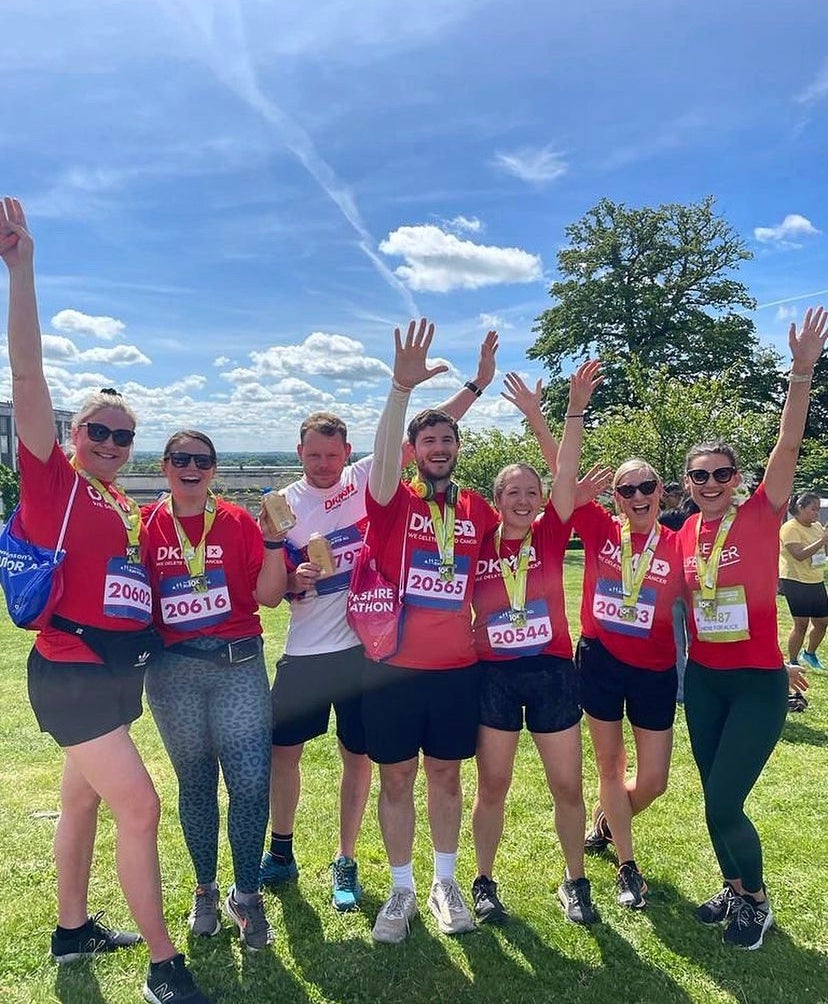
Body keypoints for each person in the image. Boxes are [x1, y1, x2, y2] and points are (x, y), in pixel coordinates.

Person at [0, 196, 211, 1004]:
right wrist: (22, 270)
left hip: (117, 672)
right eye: (99, 432)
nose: (112, 446)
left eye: (125, 436)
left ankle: (70, 929)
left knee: (80, 801)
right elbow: (26, 373)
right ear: (71, 434)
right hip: (70, 671)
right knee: (142, 805)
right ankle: (163, 963)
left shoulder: (123, 505)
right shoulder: (52, 483)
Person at [261, 332, 498, 911]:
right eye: (313, 454)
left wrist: (474, 387)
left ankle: (346, 858)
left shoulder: (368, 481)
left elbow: (425, 435)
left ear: (346, 455)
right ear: (300, 453)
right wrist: (291, 579)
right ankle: (282, 846)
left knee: (359, 759)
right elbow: (269, 588)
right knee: (282, 752)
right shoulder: (282, 503)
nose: (323, 463)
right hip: (307, 648)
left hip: (366, 652)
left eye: (332, 454)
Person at [676, 306, 826, 950]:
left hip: (757, 685)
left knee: (724, 800)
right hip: (705, 683)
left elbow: (788, 444)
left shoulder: (764, 513)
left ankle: (756, 901)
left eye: (720, 474)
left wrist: (800, 374)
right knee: (714, 794)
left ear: (737, 480)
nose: (710, 483)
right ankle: (733, 888)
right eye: (699, 475)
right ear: (688, 484)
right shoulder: (684, 531)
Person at [359, 318, 499, 943]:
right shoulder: (392, 501)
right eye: (428, 441)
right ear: (414, 454)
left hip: (455, 671)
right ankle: (402, 888)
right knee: (395, 778)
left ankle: (445, 883)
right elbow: (391, 447)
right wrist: (400, 390)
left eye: (448, 439)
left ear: (457, 447)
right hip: (391, 670)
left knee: (445, 777)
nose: (438, 447)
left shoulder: (477, 510)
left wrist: (475, 385)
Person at [143, 430, 287, 950]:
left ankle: (246, 895)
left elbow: (269, 599)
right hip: (173, 672)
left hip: (238, 666)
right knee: (196, 785)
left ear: (214, 469)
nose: (191, 468)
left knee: (250, 784)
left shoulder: (237, 521)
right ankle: (204, 888)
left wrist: (273, 545)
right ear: (164, 466)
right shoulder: (144, 526)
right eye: (180, 459)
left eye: (201, 461)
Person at [470, 365, 602, 926]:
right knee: (493, 784)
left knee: (567, 784)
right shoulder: (475, 540)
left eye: (533, 492)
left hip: (550, 670)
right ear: (497, 500)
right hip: (494, 674)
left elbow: (566, 468)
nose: (524, 500)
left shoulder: (551, 530)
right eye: (513, 493)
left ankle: (575, 881)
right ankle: (483, 881)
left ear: (543, 498)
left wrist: (568, 410)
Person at [572, 456, 682, 910]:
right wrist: (556, 415)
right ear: (613, 498)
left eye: (646, 486)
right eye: (626, 489)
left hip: (654, 669)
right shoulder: (598, 527)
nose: (637, 496)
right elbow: (563, 474)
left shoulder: (680, 544)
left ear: (661, 492)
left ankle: (604, 823)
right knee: (611, 768)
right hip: (599, 660)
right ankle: (626, 865)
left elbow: (713, 608)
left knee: (654, 780)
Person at [778, 491, 828, 670]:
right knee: (801, 624)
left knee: (822, 622)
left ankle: (809, 653)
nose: (817, 513)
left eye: (818, 509)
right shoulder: (790, 528)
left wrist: (826, 542)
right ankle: (792, 661)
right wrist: (822, 541)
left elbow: (823, 553)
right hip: (795, 581)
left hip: (815, 579)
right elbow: (798, 554)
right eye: (813, 509)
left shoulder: (816, 527)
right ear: (800, 508)